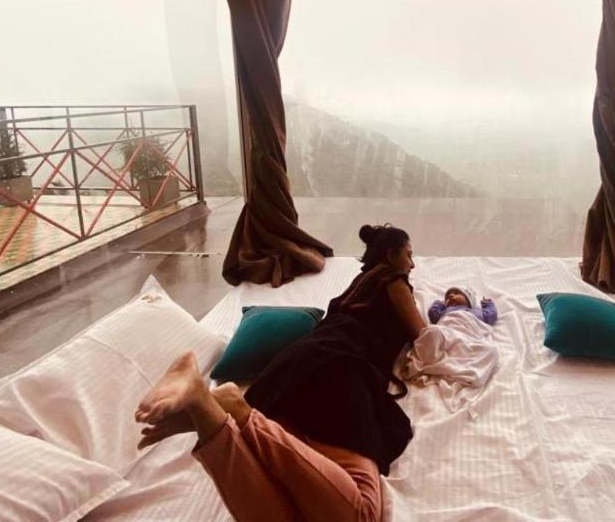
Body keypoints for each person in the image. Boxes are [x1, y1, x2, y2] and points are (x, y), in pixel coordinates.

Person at [134, 223, 425, 522]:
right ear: (391, 256)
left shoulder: (361, 282)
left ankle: (207, 413)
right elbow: (424, 335)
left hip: (293, 366)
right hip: (341, 371)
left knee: (286, 506)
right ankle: (239, 412)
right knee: (361, 512)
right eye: (409, 255)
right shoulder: (395, 280)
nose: (413, 264)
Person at [428, 286, 498, 326]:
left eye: (456, 293)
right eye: (447, 298)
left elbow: (491, 315)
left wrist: (488, 304)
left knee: (490, 348)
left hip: (471, 334)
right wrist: (439, 303)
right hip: (449, 332)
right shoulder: (446, 312)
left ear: (469, 299)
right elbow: (433, 314)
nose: (450, 296)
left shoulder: (476, 312)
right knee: (433, 332)